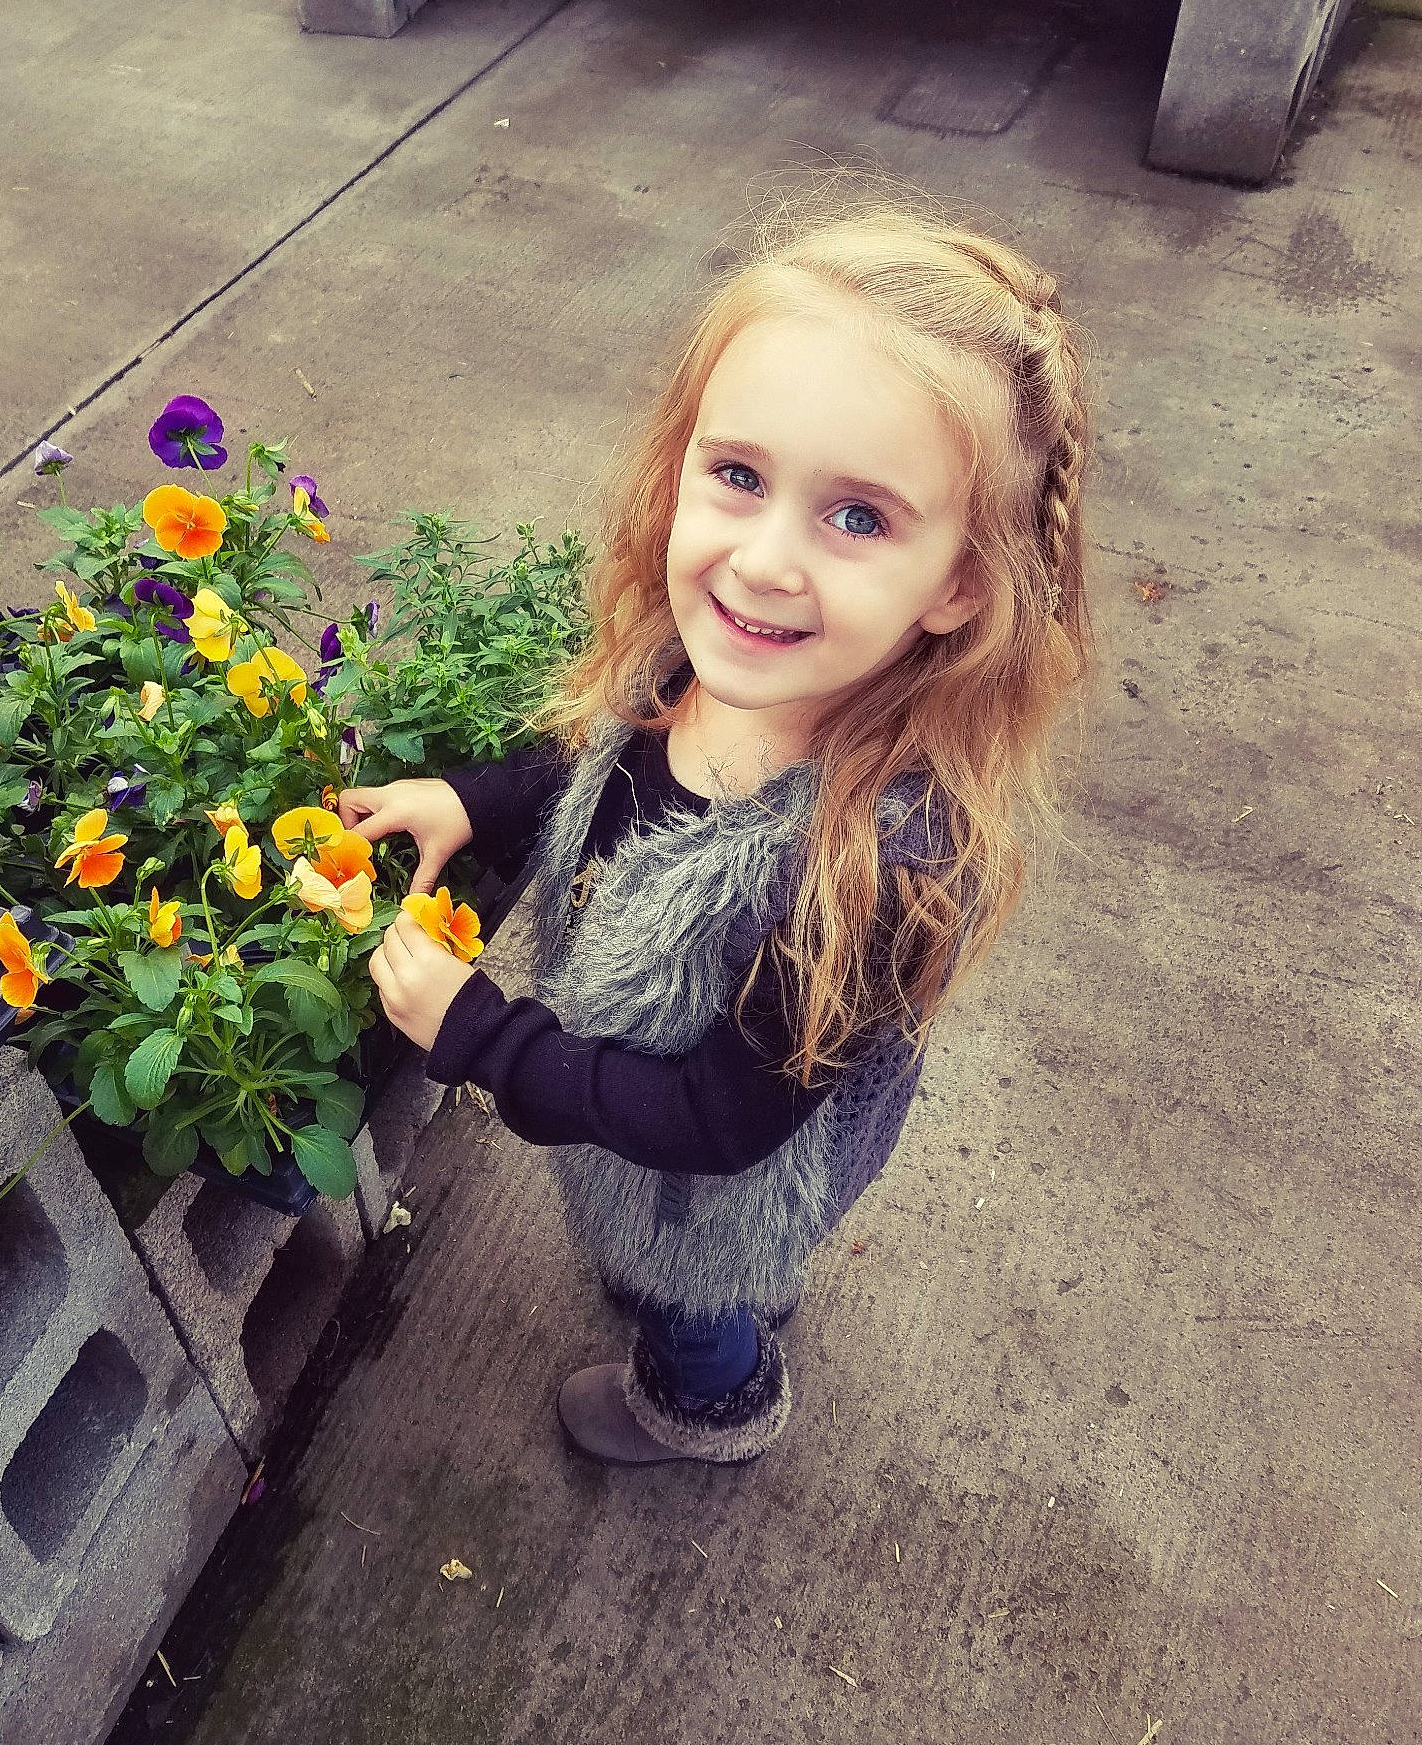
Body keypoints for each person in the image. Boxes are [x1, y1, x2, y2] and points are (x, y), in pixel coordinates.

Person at [343, 187, 1095, 1468]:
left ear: (964, 582)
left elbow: (721, 1121)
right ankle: (730, 1293)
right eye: (738, 475)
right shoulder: (692, 663)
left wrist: (485, 1036)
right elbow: (589, 762)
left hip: (714, 1158)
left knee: (697, 1288)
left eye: (859, 517)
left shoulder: (878, 867)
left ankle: (710, 1400)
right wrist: (470, 797)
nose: (760, 562)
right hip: (638, 1104)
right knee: (687, 1238)